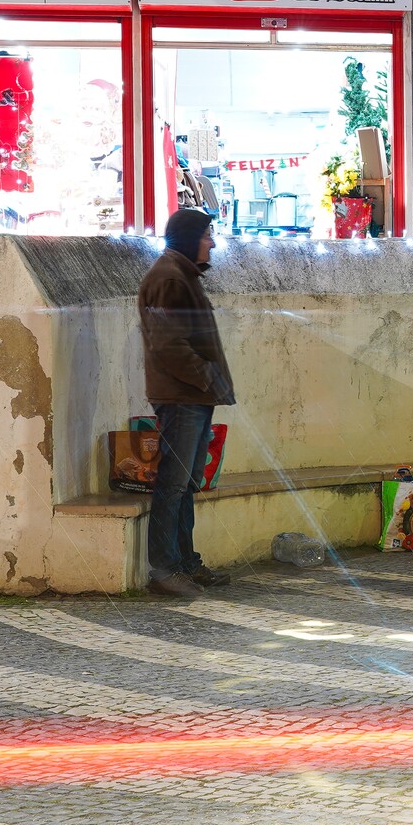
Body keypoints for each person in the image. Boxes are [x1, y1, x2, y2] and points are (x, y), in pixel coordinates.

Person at [138, 207, 236, 596]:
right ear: (189, 238)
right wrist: (206, 377)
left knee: (187, 483)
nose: (212, 243)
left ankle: (185, 562)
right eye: (207, 235)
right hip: (181, 397)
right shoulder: (169, 278)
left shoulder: (181, 275)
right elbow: (168, 344)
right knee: (173, 485)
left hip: (193, 396)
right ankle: (164, 570)